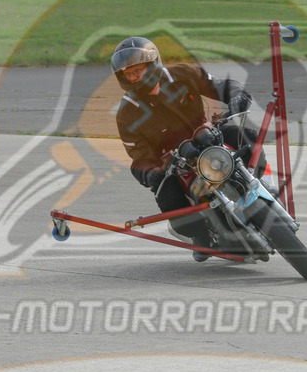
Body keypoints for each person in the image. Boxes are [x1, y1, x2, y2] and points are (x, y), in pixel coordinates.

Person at [112, 37, 266, 262]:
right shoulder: (127, 113)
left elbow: (219, 86)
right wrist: (150, 173)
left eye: (139, 70)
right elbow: (139, 158)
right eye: (129, 74)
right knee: (167, 197)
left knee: (247, 136)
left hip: (208, 136)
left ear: (153, 64)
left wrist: (237, 96)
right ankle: (200, 235)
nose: (135, 77)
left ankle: (261, 185)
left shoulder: (183, 74)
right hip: (175, 162)